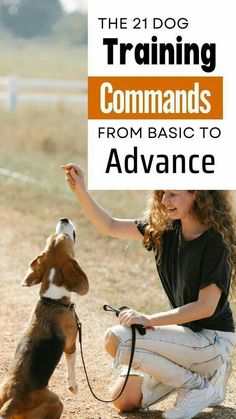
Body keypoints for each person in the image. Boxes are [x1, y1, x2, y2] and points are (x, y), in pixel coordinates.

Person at [62, 164, 236, 419]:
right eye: (162, 193)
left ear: (197, 193)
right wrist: (81, 190)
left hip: (213, 340)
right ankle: (209, 380)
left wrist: (148, 319)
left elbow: (205, 307)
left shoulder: (214, 243)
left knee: (116, 338)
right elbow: (109, 225)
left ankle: (197, 385)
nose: (165, 200)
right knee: (123, 398)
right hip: (187, 337)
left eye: (173, 194)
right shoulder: (164, 231)